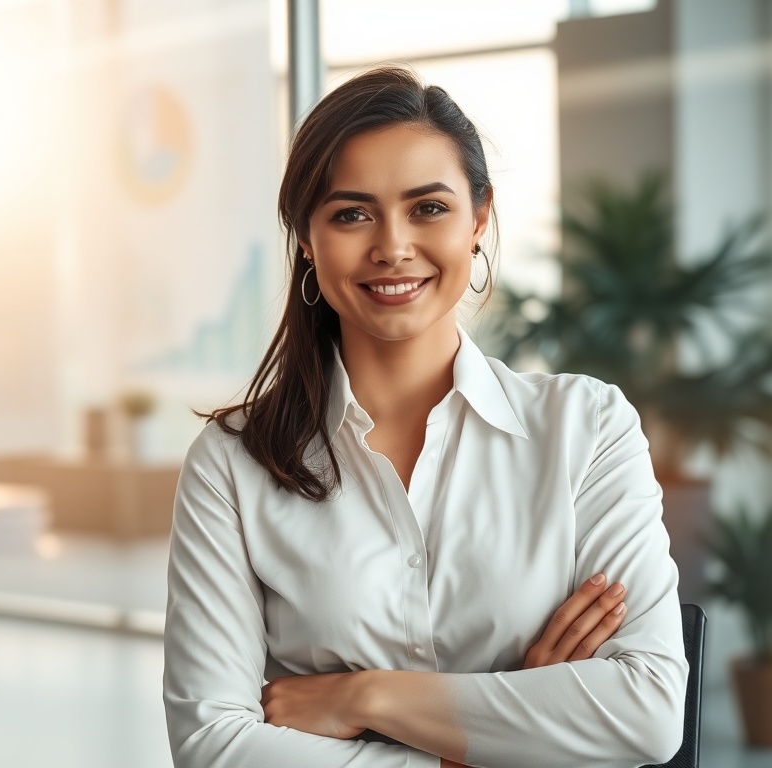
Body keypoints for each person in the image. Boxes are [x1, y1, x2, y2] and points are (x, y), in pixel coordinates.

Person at [163, 66, 687, 768]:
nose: (392, 246)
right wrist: (488, 739)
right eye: (351, 213)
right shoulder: (233, 461)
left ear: (478, 219)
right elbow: (214, 746)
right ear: (308, 240)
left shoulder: (587, 427)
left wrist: (365, 699)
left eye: (428, 208)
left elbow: (646, 711)